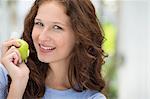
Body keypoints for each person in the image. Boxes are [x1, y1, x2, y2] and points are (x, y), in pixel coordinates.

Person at [0, 0, 107, 99]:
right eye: (39, 23)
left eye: (56, 27)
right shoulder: (7, 77)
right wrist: (17, 84)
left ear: (80, 35)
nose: (42, 37)